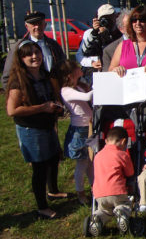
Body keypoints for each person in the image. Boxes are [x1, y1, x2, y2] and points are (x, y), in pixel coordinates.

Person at [6, 41, 65, 219]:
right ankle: (41, 207)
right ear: (21, 58)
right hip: (30, 129)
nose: (34, 57)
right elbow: (12, 110)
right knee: (39, 168)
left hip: (46, 125)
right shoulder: (19, 81)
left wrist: (56, 107)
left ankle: (53, 191)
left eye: (37, 53)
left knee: (54, 158)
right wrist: (42, 108)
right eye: (29, 54)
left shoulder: (44, 75)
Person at [54, 60, 94, 206]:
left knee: (91, 161)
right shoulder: (66, 90)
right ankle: (80, 193)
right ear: (70, 75)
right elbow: (88, 97)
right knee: (82, 163)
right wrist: (103, 85)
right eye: (77, 67)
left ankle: (94, 189)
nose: (80, 69)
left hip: (89, 127)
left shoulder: (78, 86)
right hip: (80, 131)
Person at [2, 11, 66, 88]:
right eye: (33, 24)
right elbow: (7, 77)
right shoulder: (19, 47)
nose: (37, 27)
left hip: (53, 91)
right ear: (27, 26)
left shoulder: (53, 45)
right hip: (31, 93)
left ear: (45, 25)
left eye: (39, 23)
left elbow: (64, 67)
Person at [90, 126, 134, 235]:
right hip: (116, 191)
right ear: (124, 141)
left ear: (105, 141)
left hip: (99, 194)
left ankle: (98, 217)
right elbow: (130, 173)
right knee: (126, 204)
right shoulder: (122, 155)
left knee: (105, 211)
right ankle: (121, 212)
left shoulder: (98, 156)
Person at [77, 4, 120, 83]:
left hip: (114, 72)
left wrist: (108, 35)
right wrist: (91, 63)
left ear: (115, 17)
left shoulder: (120, 34)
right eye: (104, 19)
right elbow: (82, 53)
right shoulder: (90, 33)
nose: (107, 21)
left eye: (109, 18)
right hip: (93, 74)